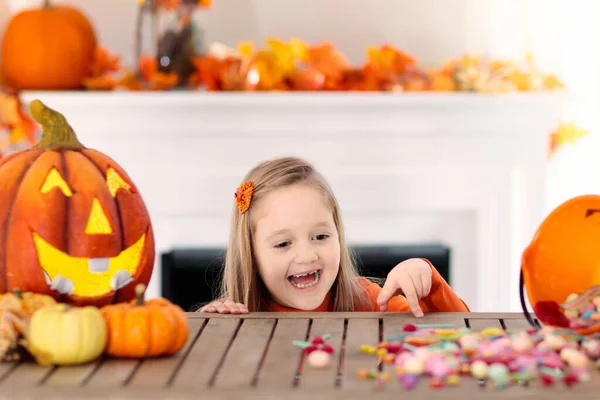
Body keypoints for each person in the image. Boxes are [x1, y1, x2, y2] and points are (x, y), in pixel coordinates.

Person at [199, 156, 469, 316]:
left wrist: (429, 283)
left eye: (320, 237)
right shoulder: (234, 317)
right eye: (283, 243)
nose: (307, 255)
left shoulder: (370, 302)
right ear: (251, 254)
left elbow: (460, 339)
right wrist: (209, 331)